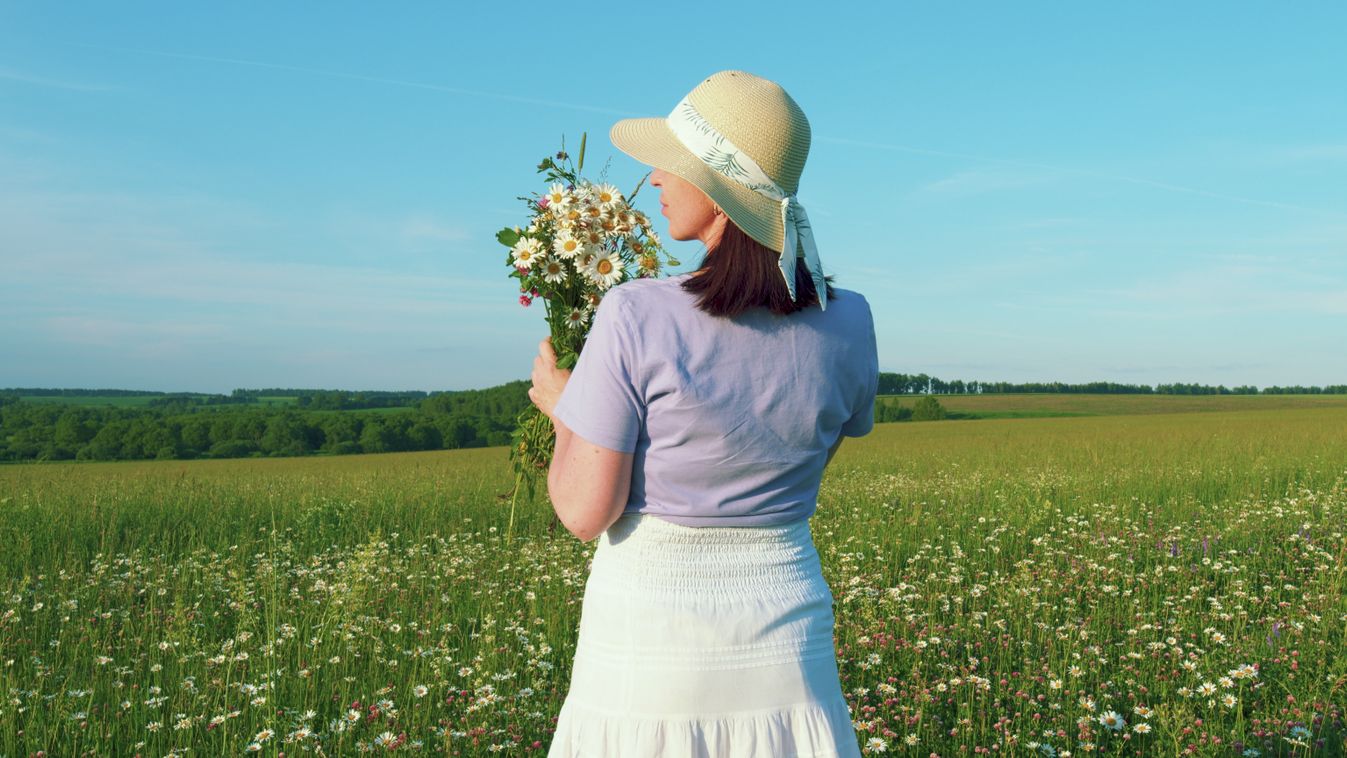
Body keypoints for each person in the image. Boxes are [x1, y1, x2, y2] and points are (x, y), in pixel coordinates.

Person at [528, 70, 877, 757]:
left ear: (716, 190)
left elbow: (583, 513)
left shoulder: (634, 312)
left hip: (651, 643)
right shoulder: (851, 320)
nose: (654, 179)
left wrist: (566, 408)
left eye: (672, 163)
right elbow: (805, 458)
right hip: (787, 637)